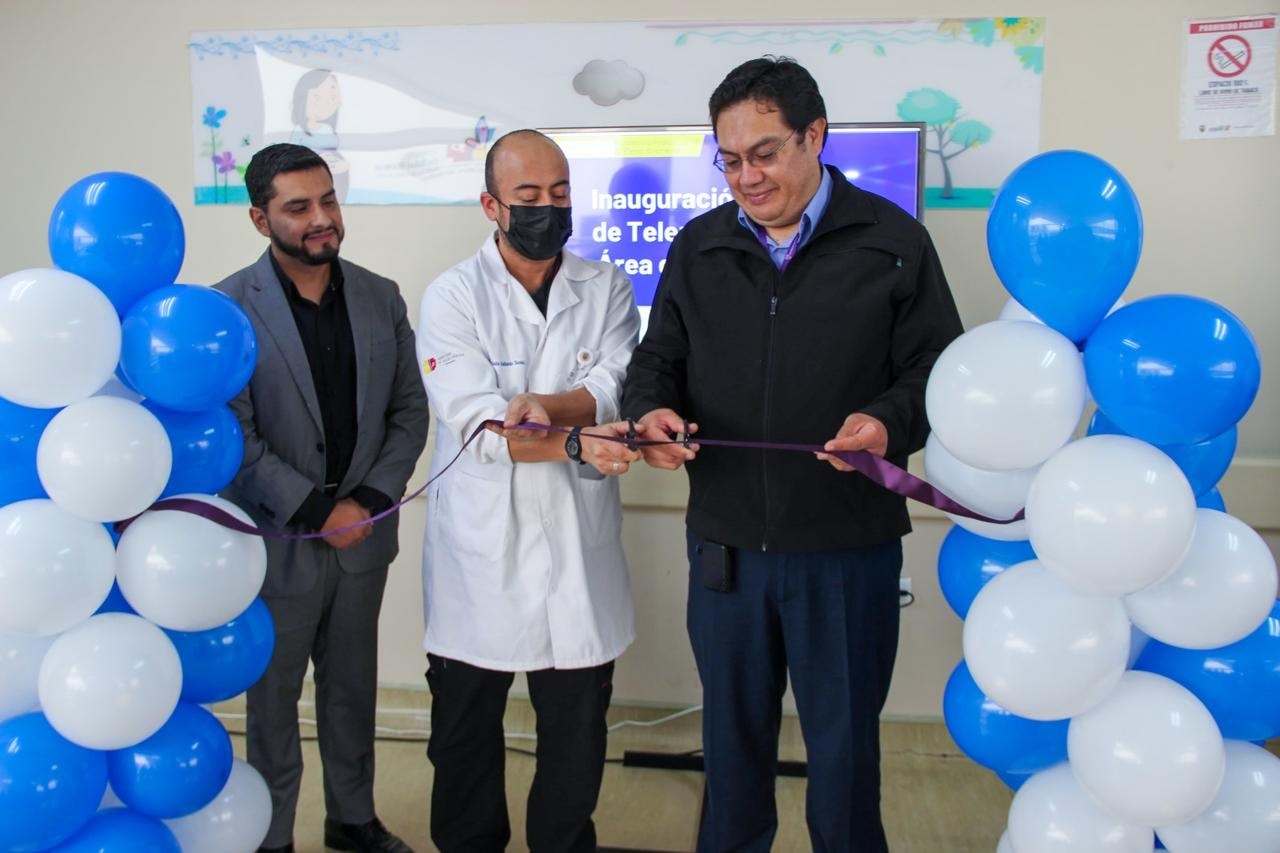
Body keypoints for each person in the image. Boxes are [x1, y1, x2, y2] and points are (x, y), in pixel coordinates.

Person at [621, 57, 964, 852]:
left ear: (816, 136)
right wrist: (650, 411)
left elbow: (939, 371)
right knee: (731, 750)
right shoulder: (699, 246)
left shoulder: (894, 243)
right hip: (726, 549)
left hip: (846, 551)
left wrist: (886, 420)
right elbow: (656, 360)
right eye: (729, 159)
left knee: (844, 756)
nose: (747, 177)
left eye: (765, 153)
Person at [416, 129, 643, 852]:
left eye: (561, 192)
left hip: (577, 550)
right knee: (464, 740)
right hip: (480, 556)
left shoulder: (607, 287)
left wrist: (545, 407)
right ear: (492, 205)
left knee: (576, 741)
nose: (549, 207)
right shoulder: (453, 296)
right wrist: (573, 437)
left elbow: (613, 385)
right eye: (529, 196)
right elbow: (479, 424)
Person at [217, 143, 429, 853]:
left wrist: (366, 501)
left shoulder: (380, 295)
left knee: (352, 690)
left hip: (363, 539)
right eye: (298, 207)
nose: (321, 219)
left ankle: (352, 819)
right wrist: (317, 510)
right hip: (279, 543)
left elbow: (409, 411)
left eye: (328, 200)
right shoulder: (226, 308)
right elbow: (235, 437)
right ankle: (271, 834)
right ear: (260, 219)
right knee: (273, 704)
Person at [289, 69, 350, 201]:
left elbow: (334, 151)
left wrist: (340, 164)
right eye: (317, 97)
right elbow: (293, 157)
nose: (325, 104)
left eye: (332, 97)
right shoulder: (299, 130)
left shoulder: (327, 129)